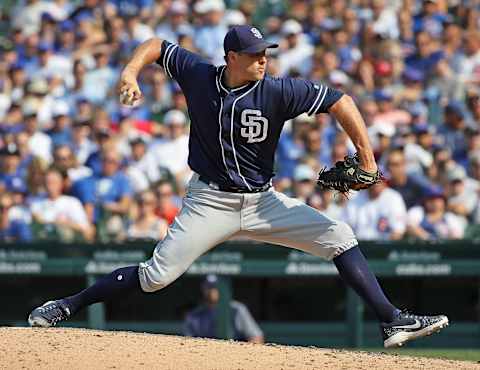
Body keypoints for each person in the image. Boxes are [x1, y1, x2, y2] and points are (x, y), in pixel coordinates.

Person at [28, 25, 448, 348]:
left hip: (263, 202)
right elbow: (157, 44)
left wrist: (368, 158)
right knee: (156, 277)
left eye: (265, 53)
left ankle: (391, 319)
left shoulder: (280, 92)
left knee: (339, 236)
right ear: (231, 57)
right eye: (253, 55)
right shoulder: (198, 76)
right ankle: (68, 305)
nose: (262, 60)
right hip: (209, 201)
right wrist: (130, 71)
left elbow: (341, 100)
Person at [183, 274, 264, 343]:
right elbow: (188, 342)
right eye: (209, 287)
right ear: (203, 288)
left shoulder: (237, 309)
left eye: (215, 287)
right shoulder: (194, 315)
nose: (212, 291)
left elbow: (256, 337)